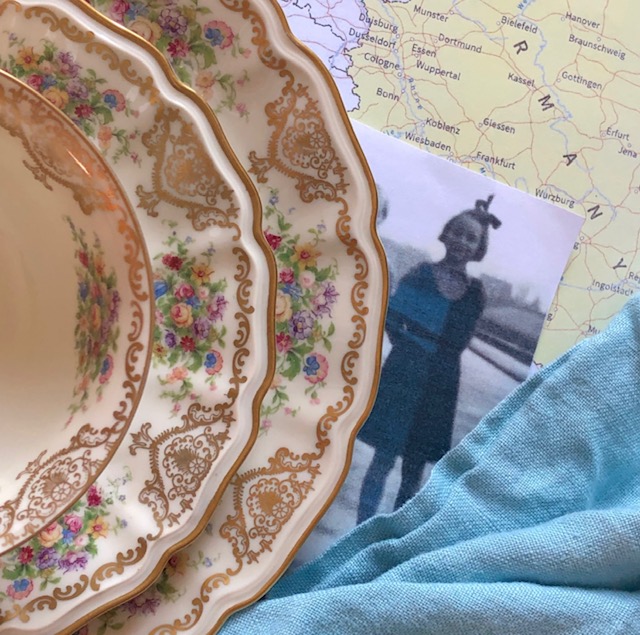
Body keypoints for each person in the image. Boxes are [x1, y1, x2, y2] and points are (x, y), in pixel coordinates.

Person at [357, 195, 501, 524]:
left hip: (439, 385)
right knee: (383, 458)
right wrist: (411, 346)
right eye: (458, 233)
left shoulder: (475, 293)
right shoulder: (421, 274)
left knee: (414, 469)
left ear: (479, 247)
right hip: (403, 374)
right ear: (446, 234)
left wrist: (426, 344)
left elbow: (458, 342)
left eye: (471, 238)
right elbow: (393, 318)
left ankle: (389, 537)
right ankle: (361, 527)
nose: (462, 241)